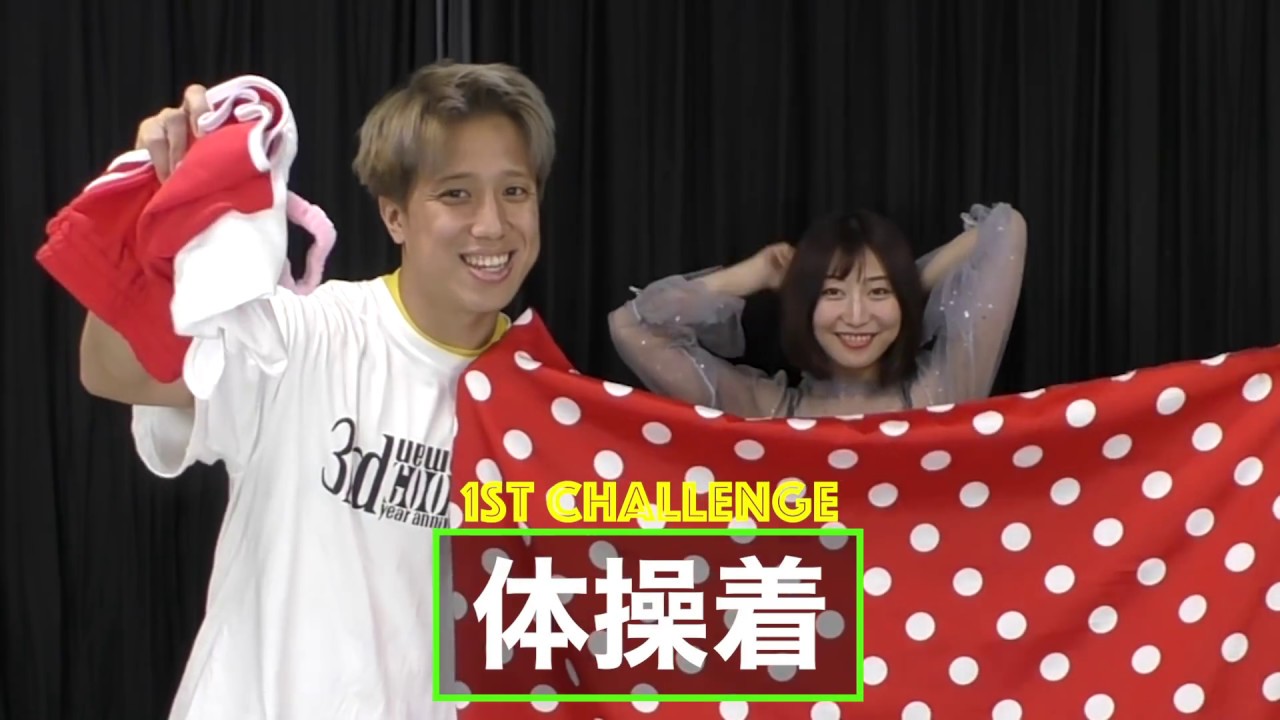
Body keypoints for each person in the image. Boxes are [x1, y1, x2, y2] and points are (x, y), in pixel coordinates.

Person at [77, 60, 555, 719]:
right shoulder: (303, 338)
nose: (492, 225)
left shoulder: (549, 406)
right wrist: (150, 212)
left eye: (515, 191)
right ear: (394, 215)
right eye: (455, 194)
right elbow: (115, 371)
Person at [608, 203, 1028, 418]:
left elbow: (1006, 228)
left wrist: (904, 289)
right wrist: (748, 275)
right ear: (805, 306)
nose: (857, 315)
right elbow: (631, 328)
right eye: (833, 293)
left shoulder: (941, 391)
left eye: (876, 293)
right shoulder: (763, 409)